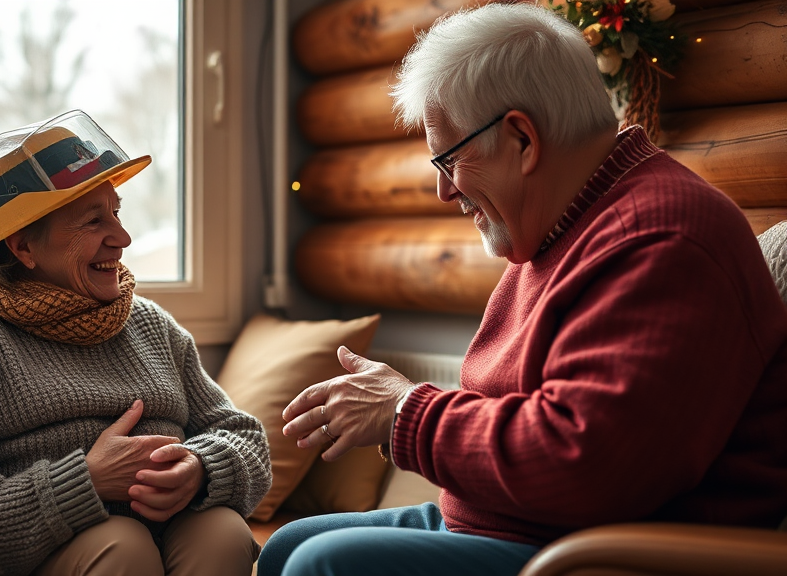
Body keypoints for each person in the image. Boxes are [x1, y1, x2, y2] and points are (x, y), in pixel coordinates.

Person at [257, 4, 787, 576]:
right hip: (514, 522)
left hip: (602, 550)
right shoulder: (562, 228)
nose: (442, 190)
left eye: (450, 158)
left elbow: (589, 466)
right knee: (288, 544)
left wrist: (404, 412)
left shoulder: (665, 236)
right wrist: (396, 410)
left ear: (520, 138)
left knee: (322, 564)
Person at [0, 110, 271, 576]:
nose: (122, 238)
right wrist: (87, 482)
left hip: (175, 533)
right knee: (122, 545)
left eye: (116, 212)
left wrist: (200, 469)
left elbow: (245, 437)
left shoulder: (151, 324)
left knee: (224, 533)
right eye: (93, 221)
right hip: (54, 555)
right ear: (23, 248)